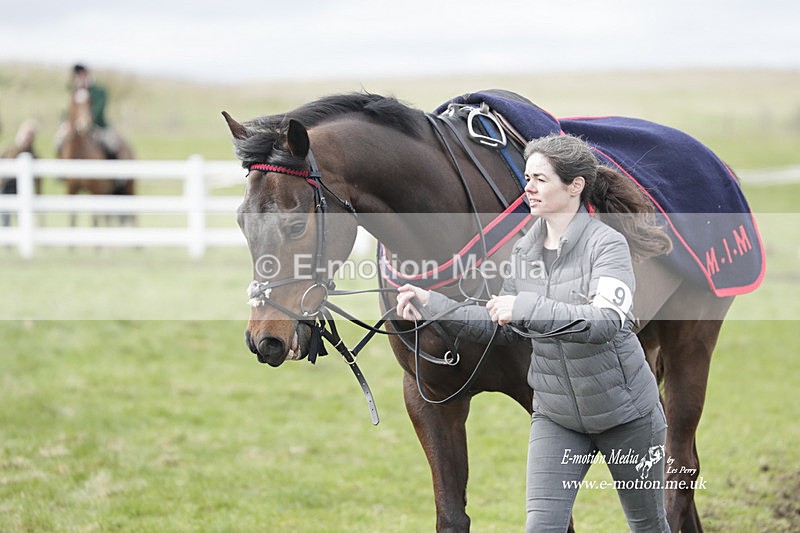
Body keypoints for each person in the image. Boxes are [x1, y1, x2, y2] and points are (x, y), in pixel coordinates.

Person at [396, 134, 673, 532]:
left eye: (540, 179)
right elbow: (503, 325)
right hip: (557, 417)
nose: (528, 188)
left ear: (574, 186)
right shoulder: (524, 251)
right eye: (527, 178)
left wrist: (525, 308)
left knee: (648, 526)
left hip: (626, 416)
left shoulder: (607, 245)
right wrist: (432, 304)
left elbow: (607, 321)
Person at [57, 64, 127, 158]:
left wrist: (88, 120)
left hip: (97, 125)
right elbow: (71, 109)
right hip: (74, 124)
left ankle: (113, 170)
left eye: (82, 73)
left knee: (112, 144)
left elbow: (99, 109)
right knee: (59, 141)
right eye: (78, 74)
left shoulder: (99, 90)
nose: (80, 76)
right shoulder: (74, 90)